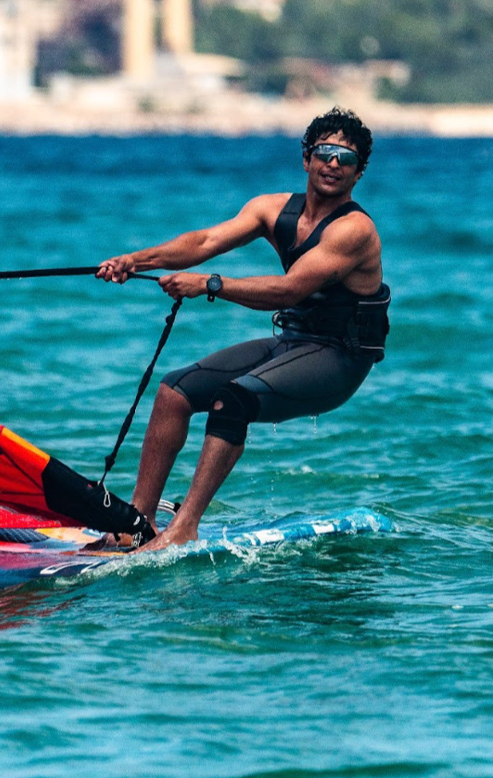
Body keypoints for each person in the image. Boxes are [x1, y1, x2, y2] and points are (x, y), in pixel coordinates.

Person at [96, 107, 390, 552]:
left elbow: (288, 291)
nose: (333, 164)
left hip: (339, 359)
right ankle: (138, 521)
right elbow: (204, 242)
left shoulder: (354, 231)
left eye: (345, 159)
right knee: (174, 392)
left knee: (232, 400)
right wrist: (134, 261)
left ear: (358, 172)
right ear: (307, 158)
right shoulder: (270, 210)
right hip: (294, 344)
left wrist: (209, 284)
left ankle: (185, 526)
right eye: (325, 153)